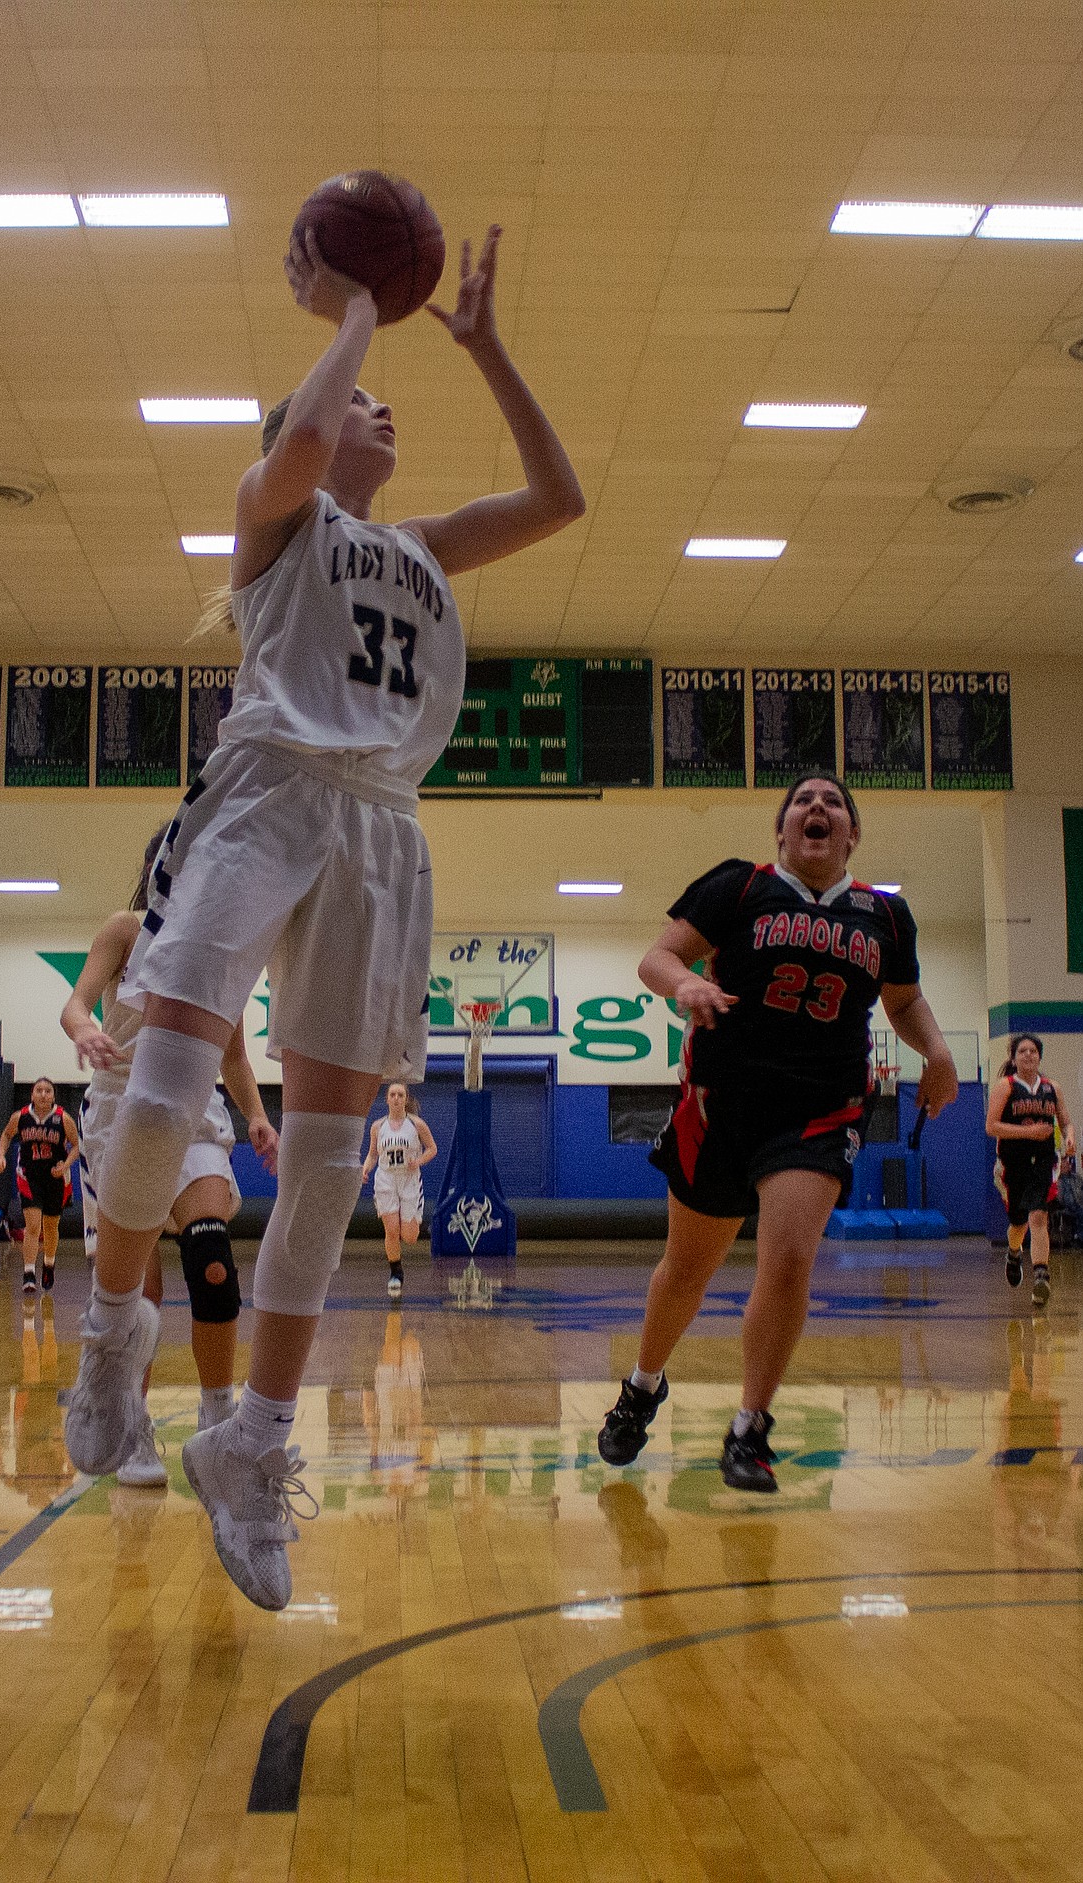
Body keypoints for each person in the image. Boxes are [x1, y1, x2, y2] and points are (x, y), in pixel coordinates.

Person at [61, 219, 584, 1608]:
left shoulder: (420, 547)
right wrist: (351, 311)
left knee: (331, 1154)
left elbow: (560, 495)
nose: (377, 402)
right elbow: (299, 441)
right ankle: (114, 1328)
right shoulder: (276, 514)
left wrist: (482, 347)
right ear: (305, 418)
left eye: (379, 390)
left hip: (381, 829)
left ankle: (256, 1440)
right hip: (268, 790)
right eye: (356, 397)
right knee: (166, 1084)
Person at [598, 772, 958, 1493]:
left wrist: (939, 1051)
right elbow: (656, 958)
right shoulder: (741, 886)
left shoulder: (885, 917)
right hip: (720, 1101)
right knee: (687, 1272)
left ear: (852, 834)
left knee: (790, 1257)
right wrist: (685, 984)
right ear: (782, 829)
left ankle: (750, 1427)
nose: (817, 807)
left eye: (832, 802)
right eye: (803, 800)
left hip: (819, 1105)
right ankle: (643, 1384)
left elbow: (904, 998)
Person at [62, 829, 279, 1486]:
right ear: (160, 865)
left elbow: (236, 1055)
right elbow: (74, 1003)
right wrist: (87, 1027)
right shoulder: (125, 930)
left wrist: (260, 1115)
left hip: (194, 1109)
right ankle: (133, 1424)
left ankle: (219, 1427)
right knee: (140, 1293)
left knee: (212, 1260)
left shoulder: (225, 948)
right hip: (118, 1107)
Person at [986, 1033, 1074, 1309]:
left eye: (1033, 1050)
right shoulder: (1006, 1087)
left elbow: (1066, 1122)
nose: (1028, 1055)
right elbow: (992, 1127)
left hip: (1045, 1161)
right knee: (1019, 1222)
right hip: (1013, 1163)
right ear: (1013, 1058)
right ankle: (1013, 1253)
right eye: (1022, 1051)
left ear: (1039, 1056)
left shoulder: (1052, 1088)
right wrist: (1029, 1132)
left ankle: (1041, 1277)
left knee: (1039, 1216)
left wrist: (1069, 1137)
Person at [0, 1078, 79, 1294]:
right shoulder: (21, 1117)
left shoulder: (63, 1118)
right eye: (39, 1090)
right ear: (32, 1094)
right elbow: (6, 1134)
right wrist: (1, 1156)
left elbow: (77, 1146)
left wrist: (66, 1164)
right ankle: (29, 1273)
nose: (43, 1094)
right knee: (33, 1227)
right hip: (29, 1175)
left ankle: (49, 1265)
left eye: (47, 1091)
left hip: (55, 1177)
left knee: (51, 1226)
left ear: (53, 1095)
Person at [362, 1081, 437, 1297]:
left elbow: (432, 1149)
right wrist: (364, 1169)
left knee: (410, 1237)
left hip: (409, 1179)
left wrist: (419, 1161)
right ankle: (396, 1273)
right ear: (387, 1099)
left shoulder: (416, 1125)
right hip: (386, 1179)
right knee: (391, 1231)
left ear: (406, 1099)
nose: (396, 1098)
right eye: (392, 1094)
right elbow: (373, 1154)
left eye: (400, 1095)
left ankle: (417, 1220)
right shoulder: (377, 1126)